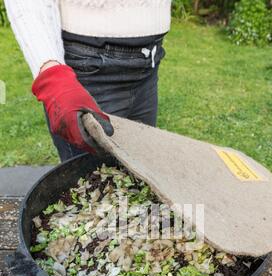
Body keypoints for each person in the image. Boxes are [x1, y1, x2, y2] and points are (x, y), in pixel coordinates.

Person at [5, 0, 171, 161]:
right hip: (88, 69)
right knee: (94, 180)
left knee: (142, 171)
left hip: (149, 64)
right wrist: (53, 79)